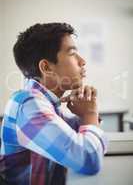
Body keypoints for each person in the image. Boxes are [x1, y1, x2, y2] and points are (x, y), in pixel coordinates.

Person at [0, 23, 107, 185]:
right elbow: (89, 160)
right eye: (72, 53)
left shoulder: (46, 103)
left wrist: (88, 114)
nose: (82, 61)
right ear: (46, 67)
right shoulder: (29, 104)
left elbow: (92, 143)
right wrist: (89, 114)